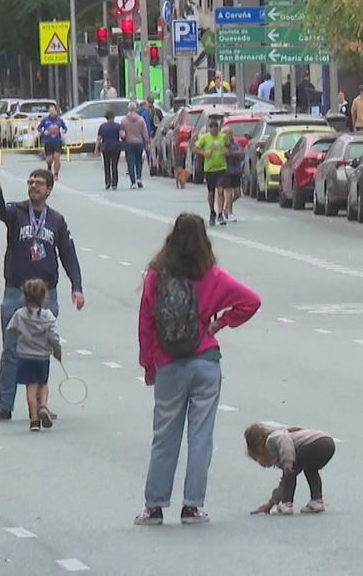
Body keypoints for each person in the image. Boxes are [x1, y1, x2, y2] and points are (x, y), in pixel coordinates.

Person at [134, 213, 261, 525]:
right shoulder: (212, 276)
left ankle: (154, 506)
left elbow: (146, 323)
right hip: (205, 361)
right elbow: (252, 301)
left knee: (165, 435)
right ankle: (192, 506)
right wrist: (219, 323)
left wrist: (148, 364)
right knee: (200, 435)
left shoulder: (156, 275)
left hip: (167, 364)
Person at [0, 170, 85, 423]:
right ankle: (5, 404)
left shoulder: (57, 221)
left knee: (40, 349)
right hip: (16, 291)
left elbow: (68, 254)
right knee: (10, 349)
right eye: (30, 183)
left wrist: (77, 286)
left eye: (39, 184)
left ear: (49, 189)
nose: (33, 187)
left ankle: (40, 404)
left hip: (46, 295)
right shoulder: (16, 212)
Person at [7, 278, 64, 432]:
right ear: (44, 297)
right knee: (43, 384)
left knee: (30, 388)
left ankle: (34, 420)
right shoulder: (48, 316)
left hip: (25, 356)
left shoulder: (20, 314)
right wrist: (57, 350)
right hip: (42, 357)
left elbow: (10, 329)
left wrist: (20, 334)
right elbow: (54, 337)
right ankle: (43, 406)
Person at [245, 423, 337, 515]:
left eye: (257, 459)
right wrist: (271, 503)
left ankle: (287, 504)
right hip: (327, 443)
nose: (261, 464)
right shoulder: (281, 439)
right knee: (311, 470)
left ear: (259, 449)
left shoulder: (272, 439)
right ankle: (317, 501)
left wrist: (287, 462)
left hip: (315, 443)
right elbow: (284, 484)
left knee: (290, 473)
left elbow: (284, 440)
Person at [193, 119, 230, 225]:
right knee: (211, 193)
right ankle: (212, 212)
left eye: (216, 129)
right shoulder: (205, 137)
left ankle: (220, 213)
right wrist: (204, 153)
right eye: (212, 130)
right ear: (210, 129)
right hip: (209, 169)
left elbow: (228, 147)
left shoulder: (223, 137)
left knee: (221, 190)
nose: (214, 131)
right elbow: (195, 148)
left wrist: (227, 151)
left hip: (221, 168)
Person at [120, 102, 152, 188]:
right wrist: (147, 142)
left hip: (129, 143)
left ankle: (133, 182)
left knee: (130, 162)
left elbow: (122, 134)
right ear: (135, 109)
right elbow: (145, 132)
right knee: (139, 161)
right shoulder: (140, 119)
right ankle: (139, 178)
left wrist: (123, 137)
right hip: (139, 143)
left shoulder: (124, 120)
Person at [37, 106, 68, 181]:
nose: (52, 113)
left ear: (56, 111)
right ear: (49, 112)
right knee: (49, 159)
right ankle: (49, 167)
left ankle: (56, 174)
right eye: (51, 111)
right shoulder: (45, 120)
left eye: (53, 111)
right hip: (48, 141)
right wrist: (44, 132)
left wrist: (64, 131)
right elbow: (39, 128)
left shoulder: (59, 120)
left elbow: (65, 128)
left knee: (57, 157)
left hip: (57, 141)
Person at [96, 110, 123, 190]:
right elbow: (122, 135)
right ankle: (115, 183)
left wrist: (96, 148)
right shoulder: (118, 126)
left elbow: (99, 138)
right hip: (116, 146)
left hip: (105, 147)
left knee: (106, 164)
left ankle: (108, 182)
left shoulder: (102, 126)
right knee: (114, 165)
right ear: (113, 117)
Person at [222, 127, 245, 222]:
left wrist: (233, 153)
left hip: (236, 171)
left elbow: (241, 153)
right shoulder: (222, 144)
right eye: (228, 133)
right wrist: (233, 154)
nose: (230, 135)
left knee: (238, 193)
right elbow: (226, 154)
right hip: (226, 171)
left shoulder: (235, 144)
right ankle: (230, 214)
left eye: (231, 133)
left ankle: (226, 208)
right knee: (228, 193)